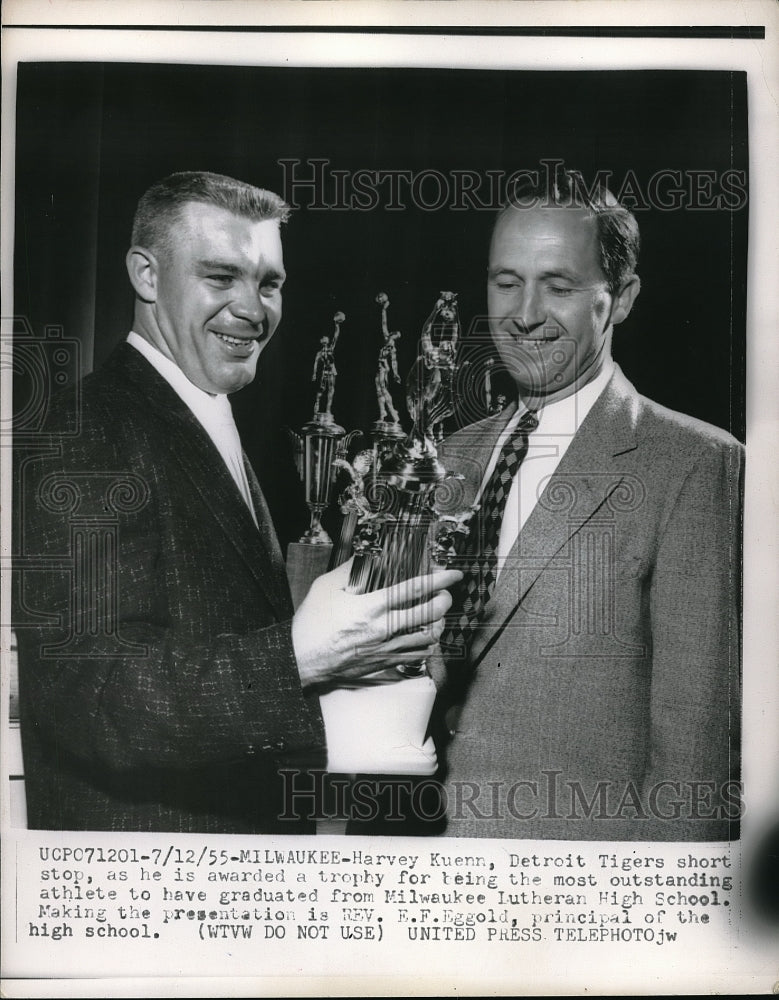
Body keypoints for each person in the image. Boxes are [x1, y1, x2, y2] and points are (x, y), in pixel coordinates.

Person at [14, 171, 458, 833]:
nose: (252, 309)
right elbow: (93, 695)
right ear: (145, 275)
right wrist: (301, 654)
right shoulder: (91, 432)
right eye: (221, 278)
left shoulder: (197, 414)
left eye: (268, 282)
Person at [435, 170, 743, 841]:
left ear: (620, 298)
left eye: (558, 285)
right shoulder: (449, 457)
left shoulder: (696, 465)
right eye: (505, 281)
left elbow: (694, 763)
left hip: (574, 905)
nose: (522, 314)